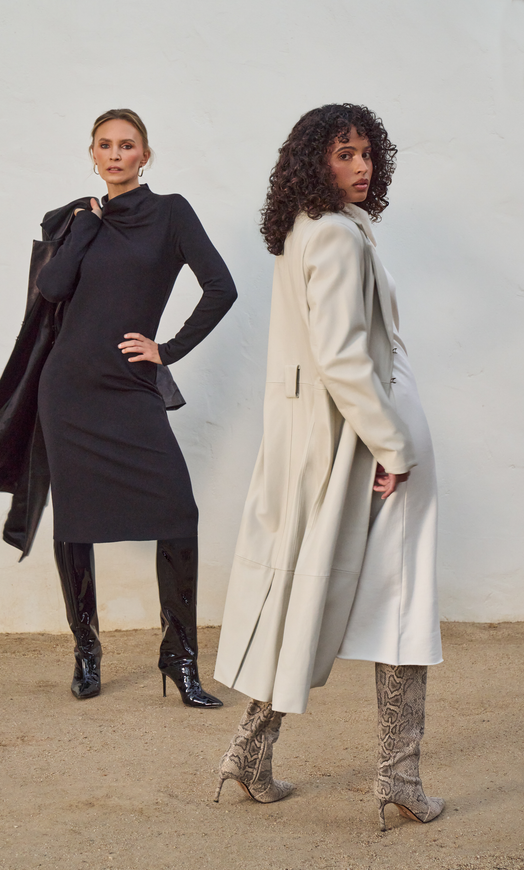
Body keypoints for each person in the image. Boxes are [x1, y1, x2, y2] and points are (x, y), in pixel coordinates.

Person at [213, 104, 444, 829]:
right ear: (316, 162)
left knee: (300, 596)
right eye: (345, 154)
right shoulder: (339, 236)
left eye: (368, 153)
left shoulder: (305, 230)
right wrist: (395, 448)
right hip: (366, 438)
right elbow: (344, 359)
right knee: (402, 604)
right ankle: (399, 780)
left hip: (324, 439)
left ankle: (248, 755)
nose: (362, 165)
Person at [36, 108, 237, 707]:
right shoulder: (80, 219)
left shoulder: (171, 213)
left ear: (146, 155)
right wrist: (86, 227)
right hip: (68, 389)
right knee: (74, 522)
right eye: (106, 145)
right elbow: (52, 289)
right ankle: (87, 649)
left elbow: (221, 287)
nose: (117, 154)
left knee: (177, 511)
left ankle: (178, 656)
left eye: (128, 145)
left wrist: (166, 349)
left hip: (128, 387)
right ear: (93, 155)